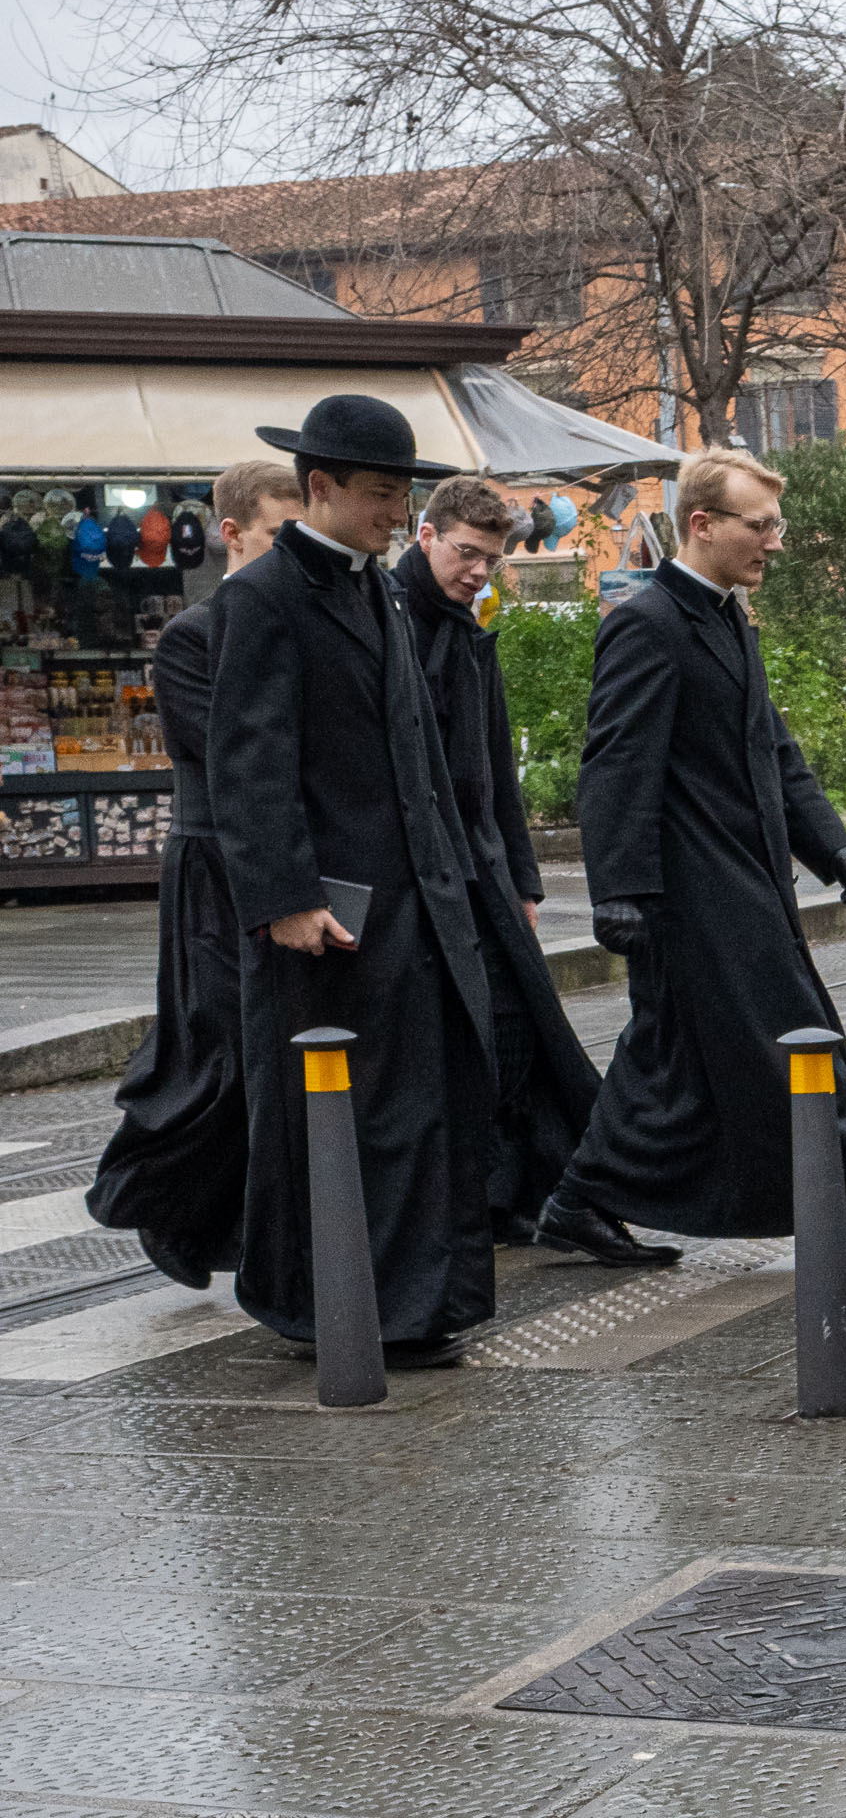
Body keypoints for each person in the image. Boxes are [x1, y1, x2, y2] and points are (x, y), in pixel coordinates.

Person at [537, 449, 846, 1272]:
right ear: (703, 524)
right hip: (695, 890)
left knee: (670, 1058)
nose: (776, 542)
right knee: (790, 1039)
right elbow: (615, 764)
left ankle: (580, 1201)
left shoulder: (725, 615)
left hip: (740, 876)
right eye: (760, 526)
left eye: (777, 524)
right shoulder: (647, 624)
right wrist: (618, 890)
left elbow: (772, 750)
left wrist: (828, 843)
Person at [211, 397, 496, 1366]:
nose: (394, 513)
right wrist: (285, 896)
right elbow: (248, 761)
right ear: (319, 488)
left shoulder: (377, 588)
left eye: (402, 495)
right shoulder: (261, 598)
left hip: (411, 903)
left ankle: (415, 1304)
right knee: (337, 1117)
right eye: (380, 495)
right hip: (323, 916)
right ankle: (331, 1303)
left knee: (417, 1105)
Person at [87, 459, 305, 1287]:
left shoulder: (296, 624)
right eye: (281, 536)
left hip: (277, 859)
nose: (293, 553)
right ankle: (163, 1200)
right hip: (214, 867)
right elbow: (227, 759)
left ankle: (244, 1219)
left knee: (270, 1051)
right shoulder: (193, 637)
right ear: (234, 533)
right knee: (215, 1048)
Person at [392, 475, 600, 1245]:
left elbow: (490, 773)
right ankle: (501, 1193)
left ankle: (519, 1190)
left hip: (480, 869)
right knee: (488, 1033)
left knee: (518, 1029)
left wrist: (523, 878)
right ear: (426, 536)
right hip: (433, 876)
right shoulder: (394, 621)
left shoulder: (465, 624)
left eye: (491, 558)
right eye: (466, 553)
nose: (478, 569)